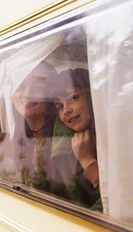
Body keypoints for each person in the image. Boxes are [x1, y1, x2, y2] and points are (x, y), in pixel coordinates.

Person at [0, 61, 57, 192]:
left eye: (38, 88)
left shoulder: (60, 135)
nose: (27, 95)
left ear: (51, 94)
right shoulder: (3, 132)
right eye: (21, 86)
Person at [51, 68, 102, 211]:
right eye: (59, 106)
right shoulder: (70, 143)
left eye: (73, 97)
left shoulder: (113, 134)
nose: (66, 110)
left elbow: (116, 199)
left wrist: (87, 161)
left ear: (91, 96)